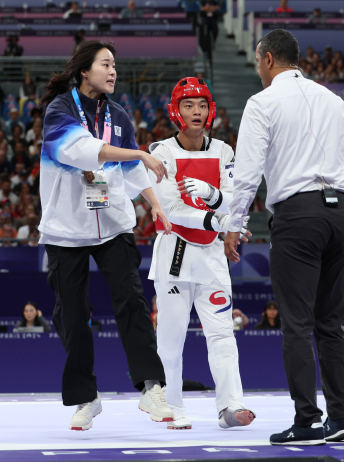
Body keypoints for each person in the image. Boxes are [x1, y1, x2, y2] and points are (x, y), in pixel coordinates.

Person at [225, 29, 344, 445]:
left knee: (296, 323)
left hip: (299, 215)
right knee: (330, 322)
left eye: (260, 61)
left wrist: (233, 222)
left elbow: (247, 170)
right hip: (343, 215)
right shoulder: (336, 102)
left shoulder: (263, 103)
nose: (259, 68)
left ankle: (308, 421)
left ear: (269, 59)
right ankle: (341, 417)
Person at [37, 40, 174, 431]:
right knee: (74, 315)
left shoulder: (118, 115)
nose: (113, 71)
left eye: (115, 65)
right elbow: (79, 151)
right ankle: (86, 398)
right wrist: (140, 154)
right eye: (106, 64)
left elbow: (132, 173)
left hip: (113, 224)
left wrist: (155, 204)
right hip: (65, 230)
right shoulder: (60, 110)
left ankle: (151, 388)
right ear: (84, 71)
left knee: (132, 299)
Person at [147, 77, 255, 431]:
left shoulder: (224, 150)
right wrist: (219, 217)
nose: (196, 111)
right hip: (175, 253)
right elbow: (170, 208)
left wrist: (213, 196)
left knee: (223, 332)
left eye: (202, 105)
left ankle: (230, 406)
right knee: (171, 337)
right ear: (175, 110)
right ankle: (172, 406)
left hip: (211, 255)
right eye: (188, 105)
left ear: (211, 110)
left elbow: (235, 198)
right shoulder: (160, 151)